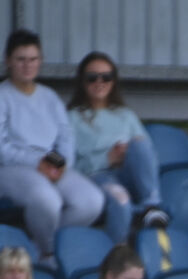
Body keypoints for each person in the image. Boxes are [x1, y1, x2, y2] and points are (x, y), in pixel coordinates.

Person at [0, 29, 104, 262]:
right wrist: (37, 163)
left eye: (33, 59)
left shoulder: (50, 97)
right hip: (4, 170)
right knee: (47, 199)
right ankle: (49, 253)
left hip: (48, 164)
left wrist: (61, 164)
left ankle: (39, 246)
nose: (28, 65)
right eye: (21, 59)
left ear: (41, 61)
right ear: (8, 61)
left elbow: (65, 136)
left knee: (91, 201)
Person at [67, 50, 169, 243]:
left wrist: (126, 154)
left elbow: (147, 156)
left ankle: (152, 206)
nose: (100, 82)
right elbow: (69, 168)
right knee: (121, 200)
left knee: (140, 144)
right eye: (92, 77)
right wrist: (107, 159)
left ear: (113, 81)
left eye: (106, 77)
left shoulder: (125, 115)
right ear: (82, 81)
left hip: (129, 174)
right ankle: (116, 255)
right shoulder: (72, 118)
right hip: (98, 177)